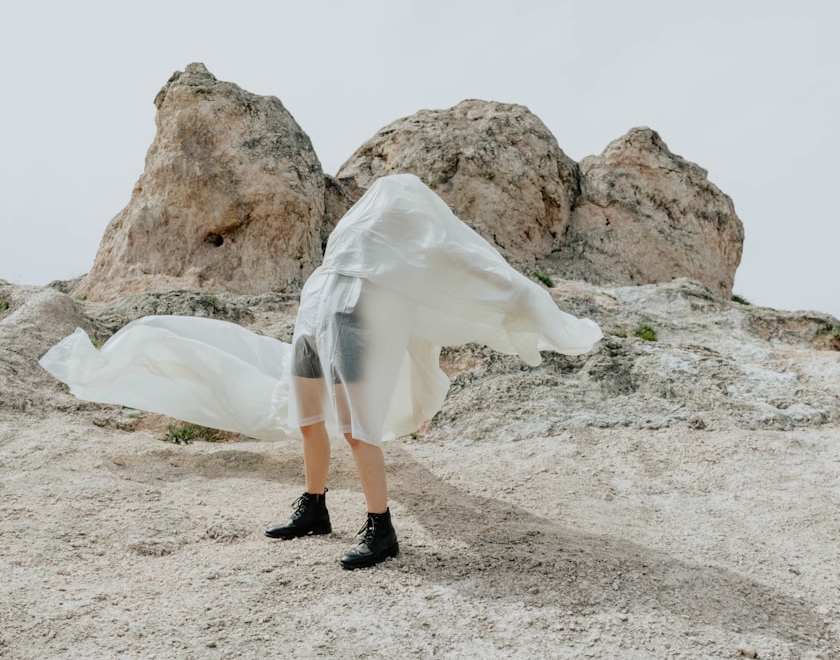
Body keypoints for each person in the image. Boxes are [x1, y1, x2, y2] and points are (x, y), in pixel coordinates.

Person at [40, 173, 602, 570]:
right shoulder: (349, 242)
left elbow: (471, 266)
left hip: (354, 335)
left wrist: (529, 301)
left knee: (358, 428)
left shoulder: (400, 252)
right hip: (311, 329)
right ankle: (314, 507)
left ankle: (381, 528)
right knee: (310, 419)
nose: (379, 202)